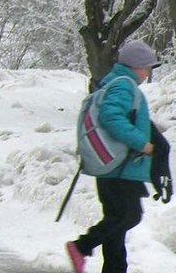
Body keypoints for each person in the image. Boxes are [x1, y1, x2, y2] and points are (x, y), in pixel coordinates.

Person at [66, 39, 159, 273]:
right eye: (147, 67)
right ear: (136, 66)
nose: (148, 73)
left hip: (110, 164)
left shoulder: (112, 83)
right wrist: (142, 143)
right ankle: (82, 246)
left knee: (115, 221)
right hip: (120, 167)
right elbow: (111, 117)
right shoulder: (124, 85)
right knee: (130, 215)